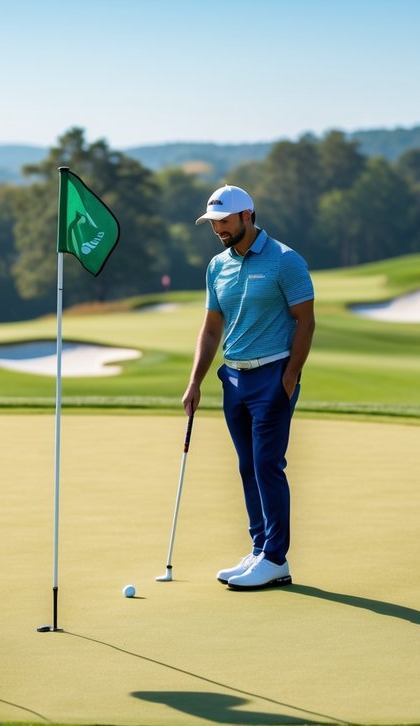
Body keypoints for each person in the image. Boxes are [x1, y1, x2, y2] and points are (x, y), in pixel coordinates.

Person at [182, 185, 315, 590]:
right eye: (213, 223)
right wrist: (196, 382)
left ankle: (276, 558)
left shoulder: (285, 261)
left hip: (271, 376)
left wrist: (289, 377)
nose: (217, 228)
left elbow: (305, 322)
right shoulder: (217, 266)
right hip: (233, 378)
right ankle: (259, 549)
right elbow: (210, 329)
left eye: (224, 221)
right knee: (246, 466)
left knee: (266, 466)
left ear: (247, 216)